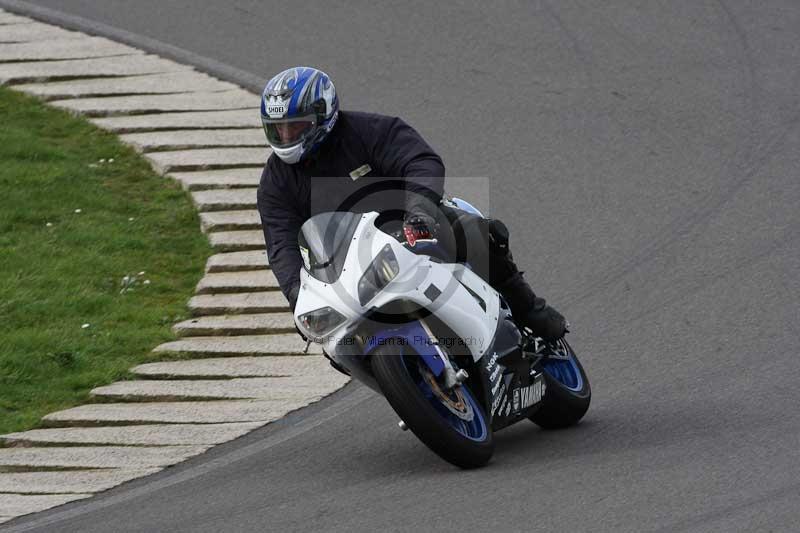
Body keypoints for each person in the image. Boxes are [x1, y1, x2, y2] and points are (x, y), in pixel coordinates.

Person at [256, 66, 567, 341]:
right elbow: (280, 242)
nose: (285, 136)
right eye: (277, 129)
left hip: (411, 224)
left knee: (477, 233)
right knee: (327, 332)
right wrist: (297, 295)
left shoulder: (370, 131)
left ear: (323, 114)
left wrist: (420, 211)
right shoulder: (275, 183)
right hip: (346, 264)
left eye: (295, 126)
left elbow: (420, 160)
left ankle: (530, 311)